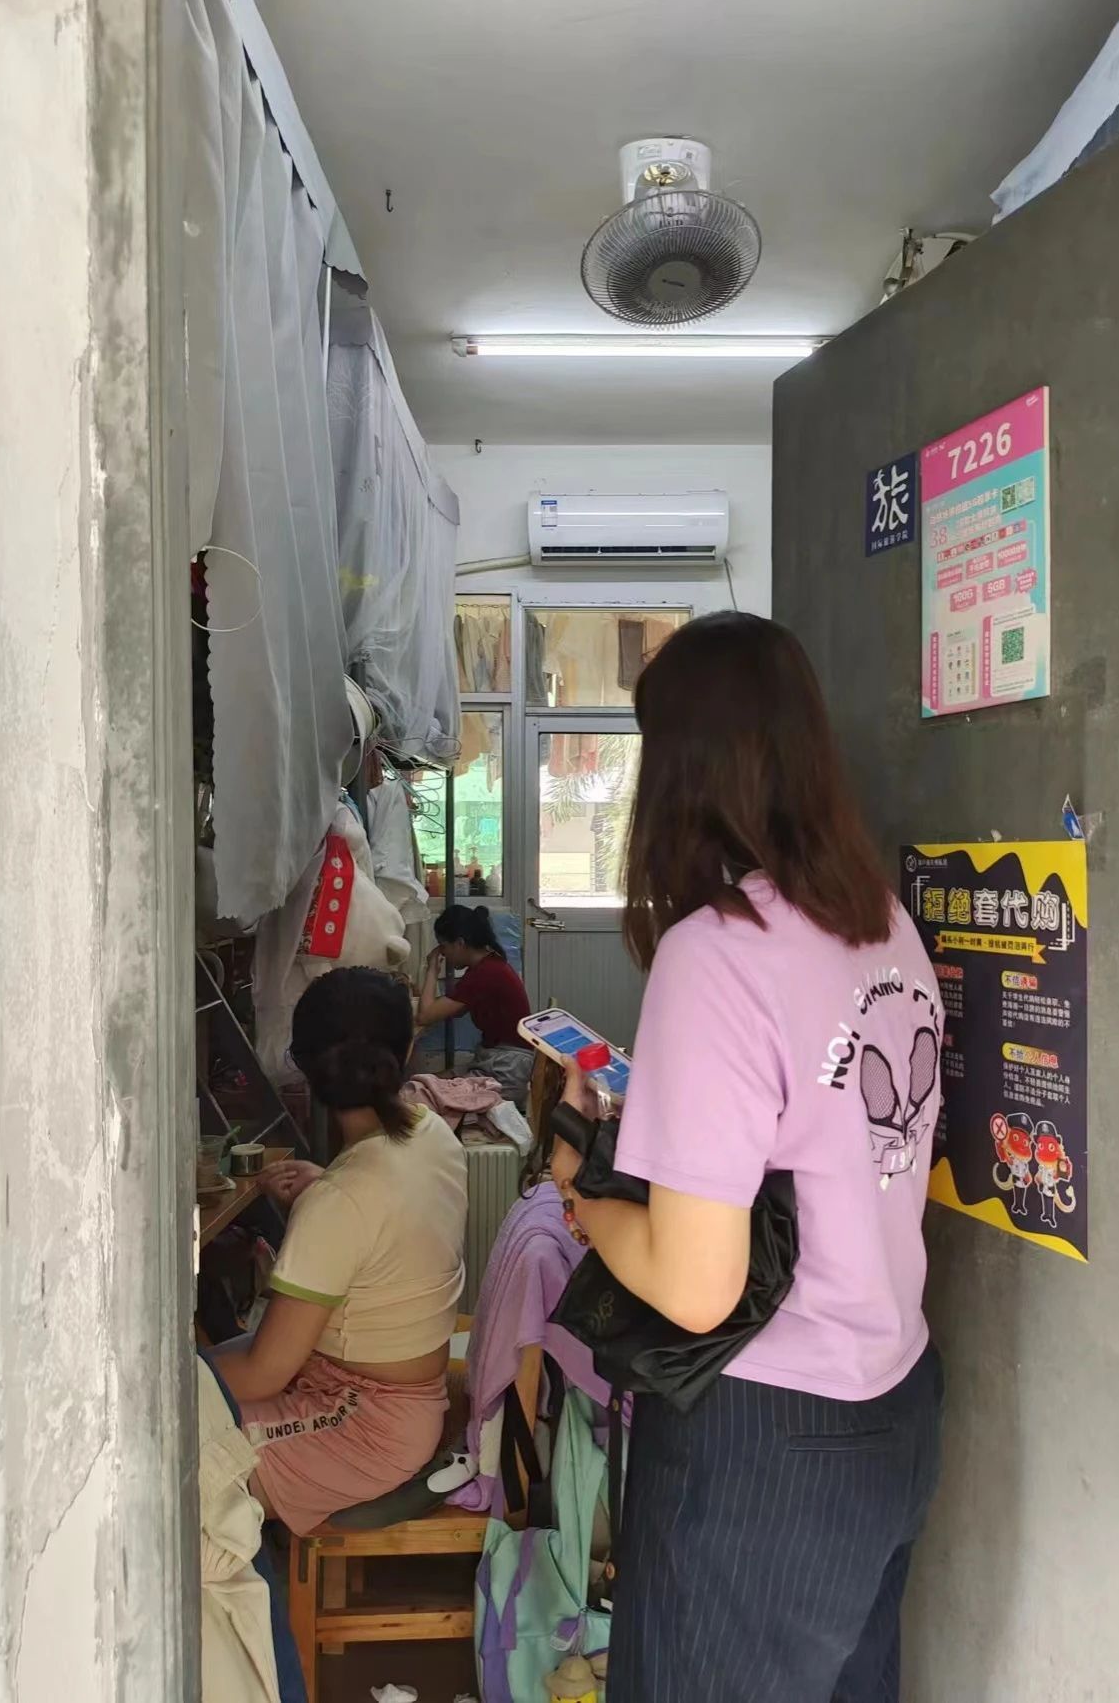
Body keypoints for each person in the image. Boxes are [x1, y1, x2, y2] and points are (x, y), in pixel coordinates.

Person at [550, 612, 944, 1703]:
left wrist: (579, 1186)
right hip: (896, 1408)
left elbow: (695, 1285)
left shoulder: (715, 953)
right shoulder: (883, 922)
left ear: (683, 769)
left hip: (767, 1441)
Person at [212, 967, 468, 1536]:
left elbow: (263, 1373)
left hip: (362, 1426)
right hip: (390, 1399)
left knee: (170, 1447)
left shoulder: (340, 1203)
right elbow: (383, 1217)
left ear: (305, 1068)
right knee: (200, 1384)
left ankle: (252, 1589)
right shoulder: (433, 1134)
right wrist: (329, 1187)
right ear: (406, 1049)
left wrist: (156, 1378)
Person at [418, 904, 534, 1100]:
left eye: (443, 946)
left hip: (506, 1067)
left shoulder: (485, 973)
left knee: (427, 1094)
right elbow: (455, 1010)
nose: (443, 953)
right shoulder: (488, 964)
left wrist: (431, 970)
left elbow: (425, 1016)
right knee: (428, 1082)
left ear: (460, 943)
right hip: (498, 1059)